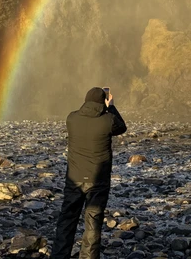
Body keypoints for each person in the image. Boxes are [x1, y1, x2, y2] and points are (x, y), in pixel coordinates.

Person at [53, 87, 127, 259]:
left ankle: (59, 255)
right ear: (103, 102)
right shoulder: (108, 120)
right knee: (93, 224)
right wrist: (112, 107)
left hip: (74, 179)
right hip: (97, 181)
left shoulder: (71, 118)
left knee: (67, 221)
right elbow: (122, 127)